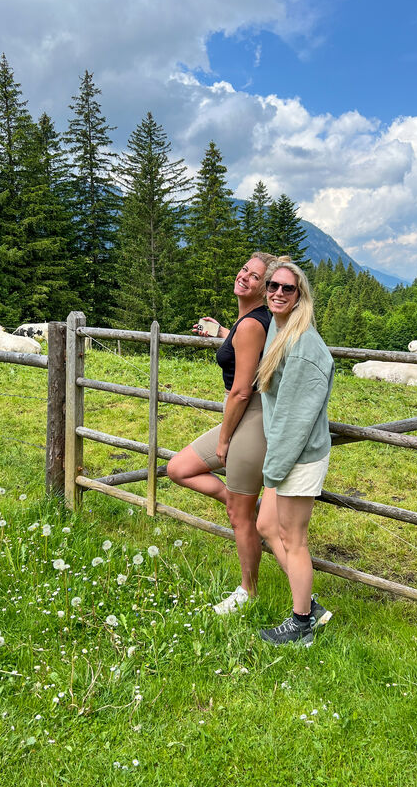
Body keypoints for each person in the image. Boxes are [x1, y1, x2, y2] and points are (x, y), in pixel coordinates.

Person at [167, 252, 276, 613]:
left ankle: (248, 593)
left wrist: (225, 439)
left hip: (252, 418)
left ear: (264, 289)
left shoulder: (253, 324)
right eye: (244, 269)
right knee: (178, 468)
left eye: (255, 276)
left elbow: (241, 390)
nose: (244, 277)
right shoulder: (252, 321)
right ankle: (245, 502)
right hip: (248, 417)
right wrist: (223, 332)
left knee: (239, 518)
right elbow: (247, 343)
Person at [255, 259, 335, 646]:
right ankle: (311, 606)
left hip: (298, 456)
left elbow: (294, 417)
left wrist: (273, 469)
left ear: (300, 294)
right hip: (285, 452)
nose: (278, 293)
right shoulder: (279, 326)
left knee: (293, 538)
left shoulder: (304, 346)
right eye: (273, 285)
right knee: (266, 527)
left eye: (288, 288)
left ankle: (302, 623)